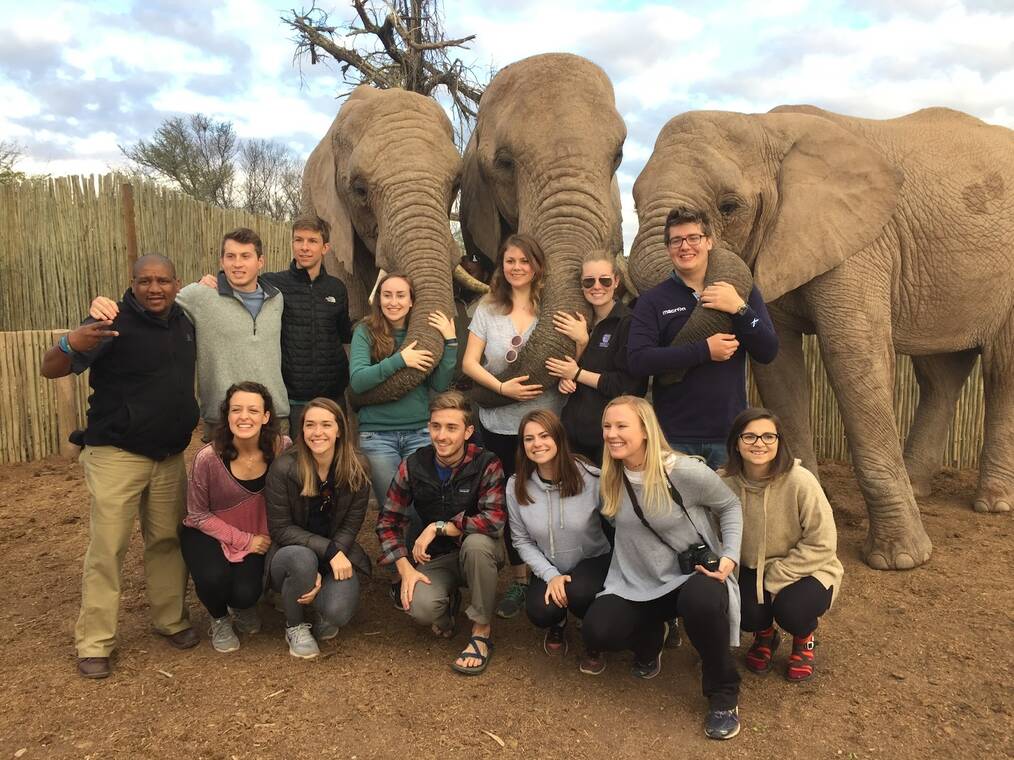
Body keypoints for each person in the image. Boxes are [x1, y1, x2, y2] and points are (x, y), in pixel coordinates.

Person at [40, 253, 199, 679]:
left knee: (166, 540)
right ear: (132, 282)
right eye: (144, 281)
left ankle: (170, 619)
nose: (154, 288)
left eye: (162, 280)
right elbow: (49, 369)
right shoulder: (110, 324)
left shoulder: (185, 323)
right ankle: (95, 641)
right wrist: (69, 342)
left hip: (168, 456)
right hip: (117, 454)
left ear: (175, 282)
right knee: (108, 547)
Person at [582, 396, 744, 740]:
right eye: (607, 426)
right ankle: (652, 638)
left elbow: (729, 505)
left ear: (645, 431)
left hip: (692, 577)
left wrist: (729, 554)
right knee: (599, 630)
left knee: (701, 601)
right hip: (637, 581)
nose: (612, 434)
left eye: (622, 426)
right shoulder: (612, 474)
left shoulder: (682, 471)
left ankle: (722, 693)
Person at [90, 228, 289, 438]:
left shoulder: (276, 299)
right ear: (222, 261)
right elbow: (148, 301)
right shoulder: (199, 295)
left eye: (245, 256)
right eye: (231, 256)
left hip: (273, 415)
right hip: (224, 417)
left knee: (278, 470)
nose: (237, 264)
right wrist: (102, 304)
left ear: (260, 262)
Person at [627, 206, 778, 468]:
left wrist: (739, 309)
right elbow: (639, 360)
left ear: (708, 242)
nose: (685, 246)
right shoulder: (653, 301)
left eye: (693, 238)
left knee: (728, 508)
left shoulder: (740, 290)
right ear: (668, 248)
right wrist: (704, 350)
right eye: (676, 240)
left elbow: (768, 350)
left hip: (729, 433)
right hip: (673, 436)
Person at [462, 233, 563, 619]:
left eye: (524, 260)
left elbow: (571, 349)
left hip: (549, 423)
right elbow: (471, 363)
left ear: (536, 265)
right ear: (501, 267)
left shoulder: (552, 306)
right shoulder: (487, 308)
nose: (516, 267)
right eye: (509, 261)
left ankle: (552, 574)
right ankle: (521, 581)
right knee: (512, 500)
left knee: (552, 500)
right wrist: (501, 387)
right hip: (500, 424)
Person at [375, 391, 507, 675]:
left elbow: (494, 521)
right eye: (436, 426)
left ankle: (481, 630)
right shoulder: (414, 464)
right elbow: (387, 521)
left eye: (452, 428)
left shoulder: (487, 462)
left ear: (469, 431)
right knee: (420, 608)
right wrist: (405, 569)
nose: (442, 436)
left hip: (480, 553)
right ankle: (446, 609)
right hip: (439, 558)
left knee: (477, 543)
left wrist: (439, 527)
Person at [721, 408, 844, 682]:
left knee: (793, 609)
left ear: (779, 442)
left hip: (807, 567)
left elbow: (823, 542)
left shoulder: (801, 481)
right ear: (736, 443)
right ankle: (764, 635)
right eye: (750, 436)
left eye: (768, 436)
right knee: (745, 613)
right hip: (752, 568)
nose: (759, 443)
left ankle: (804, 638)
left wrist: (777, 577)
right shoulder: (724, 483)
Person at [199, 216, 353, 427]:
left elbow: (344, 333)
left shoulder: (337, 288)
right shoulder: (272, 283)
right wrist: (215, 278)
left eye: (312, 241)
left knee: (333, 457)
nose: (304, 247)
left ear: (325, 247)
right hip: (292, 397)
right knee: (292, 458)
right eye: (298, 240)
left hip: (333, 397)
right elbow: (241, 277)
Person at [180, 381, 290, 653]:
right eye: (236, 409)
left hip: (257, 532)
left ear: (266, 416)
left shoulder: (281, 447)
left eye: (253, 410)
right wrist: (245, 540)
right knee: (213, 579)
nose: (244, 416)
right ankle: (218, 617)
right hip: (207, 530)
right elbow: (197, 514)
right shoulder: (208, 458)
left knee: (245, 593)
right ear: (226, 415)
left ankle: (240, 607)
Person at [264, 398, 371, 659]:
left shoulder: (357, 467)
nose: (317, 432)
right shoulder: (284, 468)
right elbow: (281, 529)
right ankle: (295, 625)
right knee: (302, 560)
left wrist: (333, 556)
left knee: (338, 613)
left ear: (339, 430)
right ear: (301, 431)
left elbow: (351, 524)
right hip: (290, 554)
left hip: (336, 550)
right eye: (310, 425)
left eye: (326, 424)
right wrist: (329, 553)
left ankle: (320, 602)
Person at [506, 409, 612, 671]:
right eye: (529, 439)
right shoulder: (516, 485)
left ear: (558, 438)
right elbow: (520, 540)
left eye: (544, 435)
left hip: (592, 559)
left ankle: (593, 633)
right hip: (550, 564)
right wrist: (550, 574)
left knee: (581, 593)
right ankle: (558, 622)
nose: (537, 444)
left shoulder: (591, 478)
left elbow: (618, 524)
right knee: (541, 612)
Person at [350, 271, 458, 508]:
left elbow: (439, 385)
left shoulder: (421, 334)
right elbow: (358, 380)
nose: (393, 302)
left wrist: (450, 343)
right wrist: (400, 359)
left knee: (423, 505)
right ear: (378, 300)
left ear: (411, 301)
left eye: (401, 295)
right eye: (387, 295)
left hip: (419, 433)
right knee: (393, 508)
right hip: (377, 436)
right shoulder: (365, 331)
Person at [545, 250, 647, 462]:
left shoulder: (628, 323)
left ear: (616, 281)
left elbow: (628, 386)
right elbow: (568, 368)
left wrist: (577, 373)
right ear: (581, 285)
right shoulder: (578, 322)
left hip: (610, 440)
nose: (597, 287)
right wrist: (566, 380)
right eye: (589, 281)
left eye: (605, 280)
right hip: (572, 436)